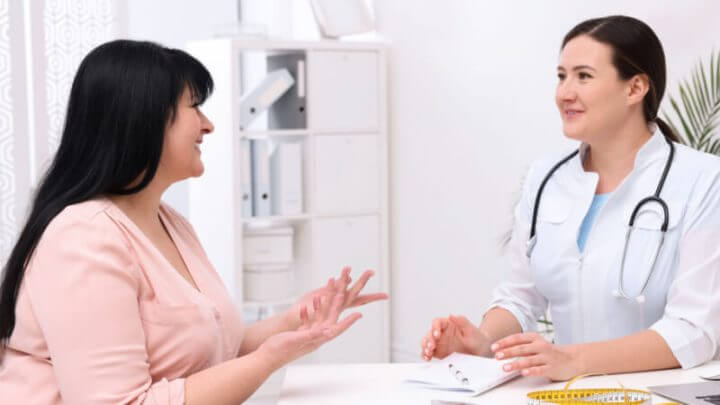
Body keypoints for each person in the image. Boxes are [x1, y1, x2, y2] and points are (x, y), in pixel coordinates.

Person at [0, 39, 387, 404]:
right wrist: (268, 359)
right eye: (195, 107)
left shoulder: (171, 223)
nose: (208, 125)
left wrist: (294, 322)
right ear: (145, 119)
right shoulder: (83, 237)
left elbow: (213, 354)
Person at [421, 15, 720, 381]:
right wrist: (482, 342)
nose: (565, 93)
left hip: (659, 394)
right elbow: (521, 296)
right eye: (562, 76)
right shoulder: (545, 177)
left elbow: (693, 331)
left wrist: (576, 360)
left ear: (635, 88)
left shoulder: (704, 180)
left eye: (584, 76)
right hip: (565, 394)